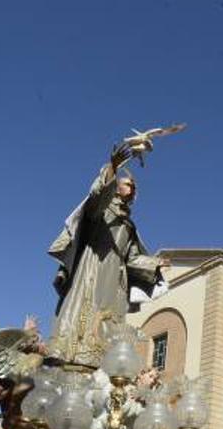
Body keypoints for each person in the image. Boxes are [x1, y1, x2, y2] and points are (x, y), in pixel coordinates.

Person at [45, 139, 170, 368]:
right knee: (86, 305)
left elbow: (131, 258)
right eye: (126, 183)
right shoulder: (101, 211)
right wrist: (112, 169)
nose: (130, 187)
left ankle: (101, 359)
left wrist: (154, 263)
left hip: (116, 278)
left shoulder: (129, 225)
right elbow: (97, 195)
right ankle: (74, 353)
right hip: (95, 264)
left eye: (132, 185)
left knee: (109, 319)